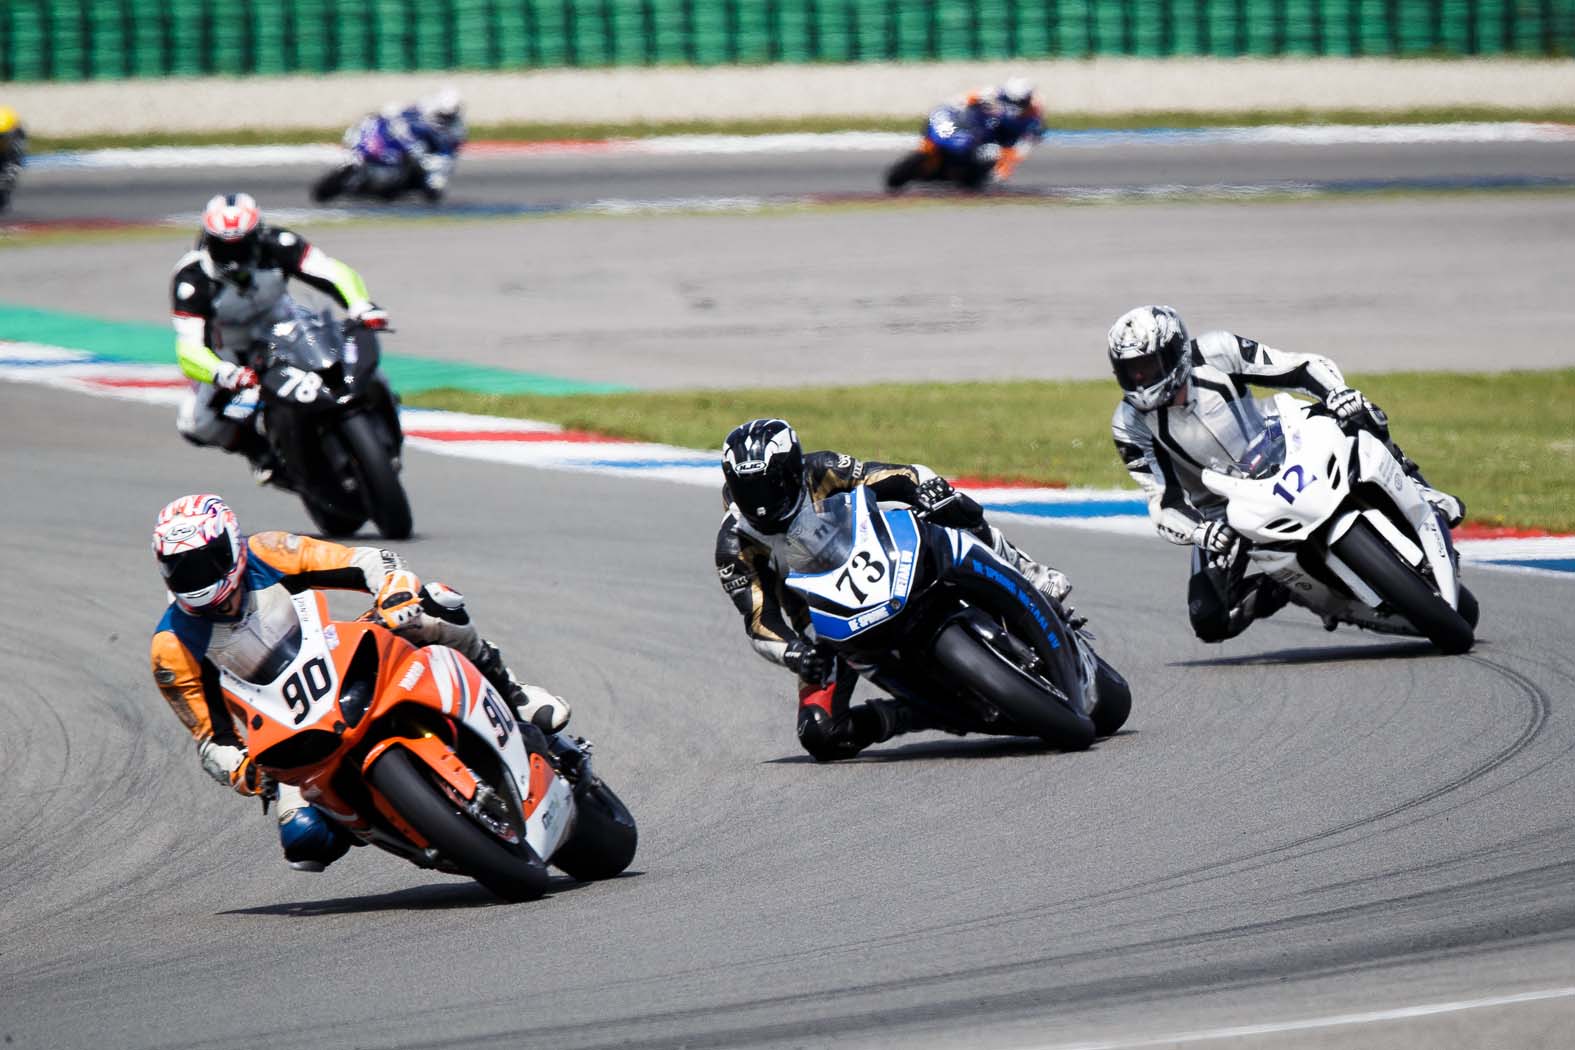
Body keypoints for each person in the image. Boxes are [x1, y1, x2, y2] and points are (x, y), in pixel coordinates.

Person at [149, 493, 570, 871]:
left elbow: (365, 561)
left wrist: (394, 590)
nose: (198, 577)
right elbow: (211, 738)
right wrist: (245, 771)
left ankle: (513, 695)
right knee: (307, 842)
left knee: (433, 607)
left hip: (338, 656)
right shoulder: (173, 646)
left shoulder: (269, 551)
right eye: (182, 569)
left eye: (207, 561)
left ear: (233, 545)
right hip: (286, 728)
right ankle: (417, 832)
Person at [714, 418, 1073, 762]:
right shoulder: (736, 543)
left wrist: (926, 489)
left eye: (769, 484)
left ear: (792, 471)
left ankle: (1028, 570)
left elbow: (895, 475)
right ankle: (915, 713)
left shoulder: (821, 471)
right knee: (821, 734)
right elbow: (759, 619)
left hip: (883, 556)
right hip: (825, 625)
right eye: (749, 489)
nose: (761, 500)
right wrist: (795, 653)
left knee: (953, 510)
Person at [1106, 305, 1465, 643]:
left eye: (1148, 365)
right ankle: (1289, 585)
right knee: (1210, 619)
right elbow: (1163, 500)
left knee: (1359, 414)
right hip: (1224, 508)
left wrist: (1337, 392)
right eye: (1130, 370)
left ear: (1175, 353)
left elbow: (1299, 368)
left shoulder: (1216, 351)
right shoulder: (1128, 425)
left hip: (1281, 443)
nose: (1140, 378)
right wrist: (1201, 531)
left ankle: (1418, 486)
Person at [170, 192, 388, 480]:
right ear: (207, 239)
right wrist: (223, 372)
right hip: (230, 347)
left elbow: (330, 271)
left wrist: (360, 304)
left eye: (241, 246)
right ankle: (261, 452)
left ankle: (382, 406)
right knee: (195, 423)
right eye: (223, 247)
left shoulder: (278, 244)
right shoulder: (191, 279)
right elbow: (189, 347)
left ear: (256, 235)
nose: (233, 258)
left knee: (350, 354)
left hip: (285, 320)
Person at [343, 88, 466, 197]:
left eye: (447, 116)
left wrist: (434, 163)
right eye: (441, 114)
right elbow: (398, 111)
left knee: (435, 184)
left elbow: (449, 155)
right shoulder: (425, 106)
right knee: (373, 122)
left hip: (425, 155)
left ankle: (404, 186)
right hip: (404, 141)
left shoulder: (456, 130)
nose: (443, 118)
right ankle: (358, 147)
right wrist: (390, 113)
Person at [0, 105, 26, 210]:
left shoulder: (16, 141)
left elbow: (15, 164)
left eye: (2, 136)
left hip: (8, 155)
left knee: (8, 178)